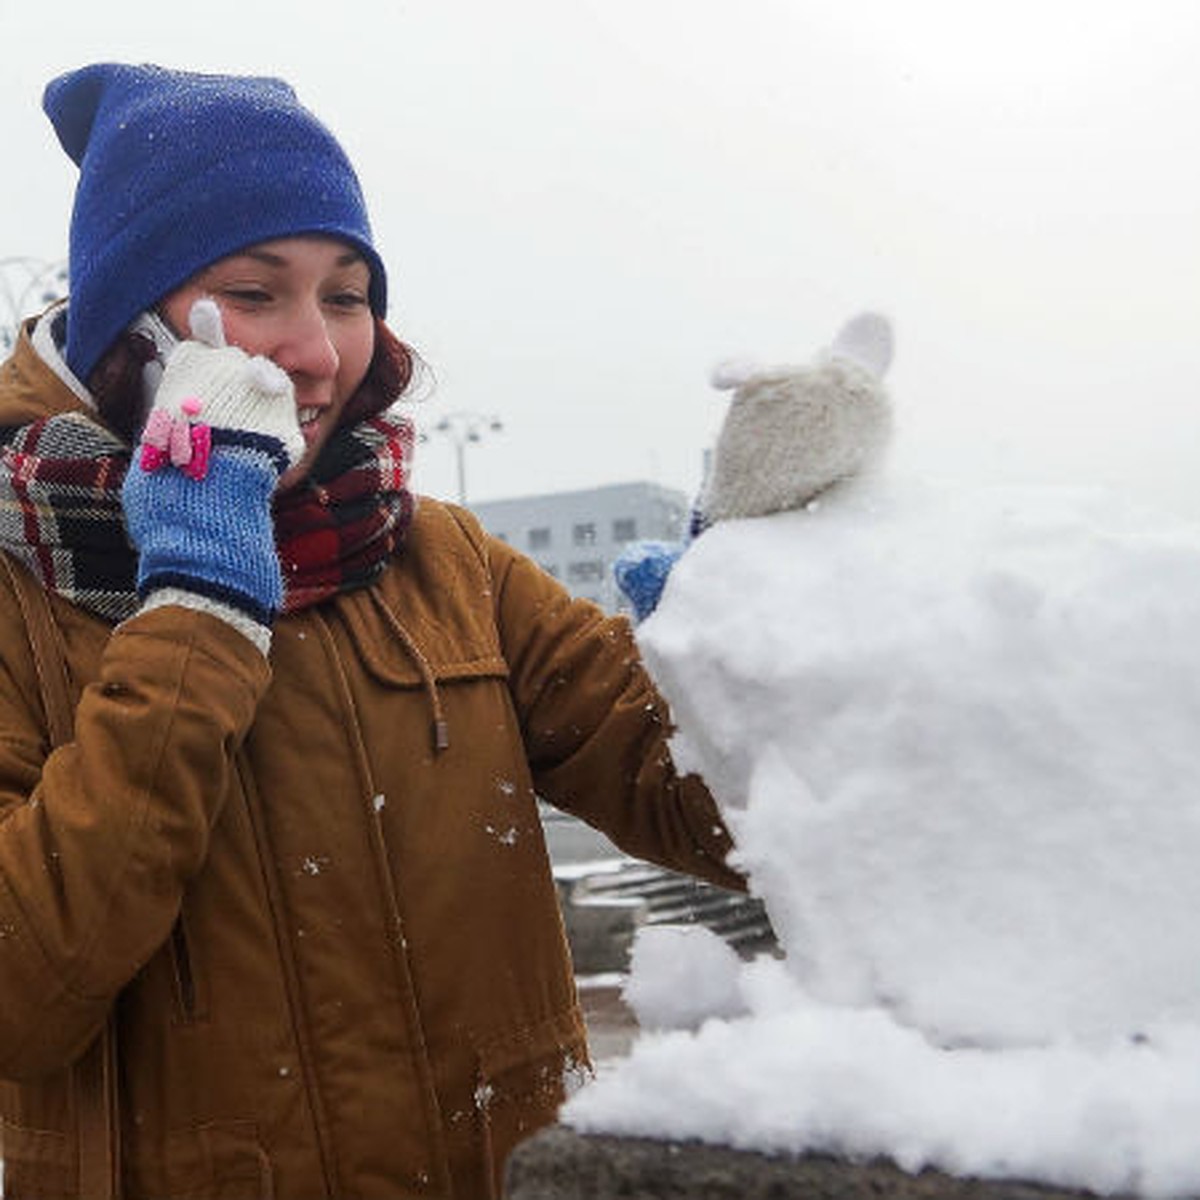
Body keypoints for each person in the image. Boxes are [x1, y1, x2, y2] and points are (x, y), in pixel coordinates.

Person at [0, 63, 745, 1198]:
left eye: (346, 297)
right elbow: (21, 993)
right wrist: (196, 615)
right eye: (257, 292)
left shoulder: (444, 561)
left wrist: (763, 631)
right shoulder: (12, 590)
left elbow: (724, 815)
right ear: (128, 331)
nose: (317, 352)